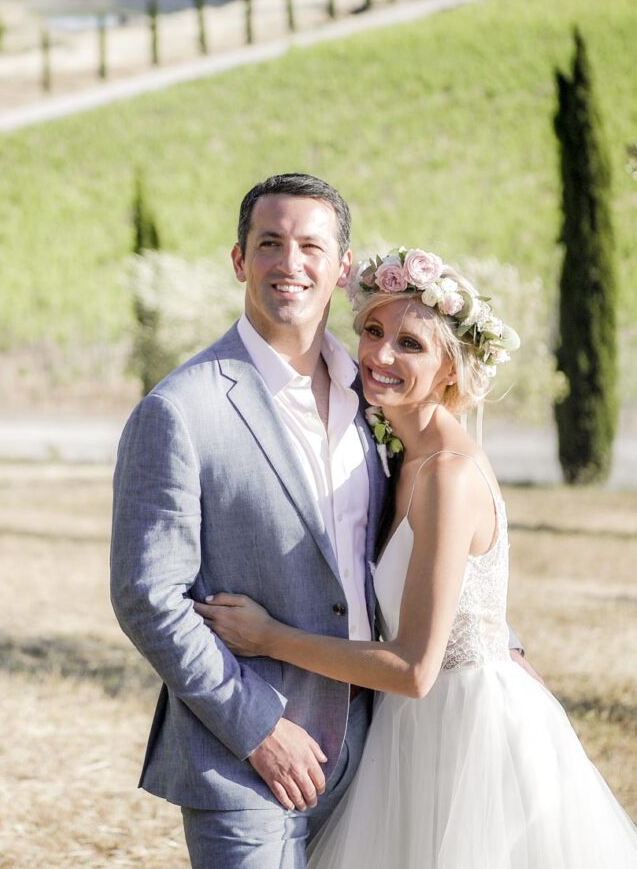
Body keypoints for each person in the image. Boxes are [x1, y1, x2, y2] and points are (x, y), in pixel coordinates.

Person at [111, 177, 529, 869]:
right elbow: (147, 596)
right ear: (239, 260)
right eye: (268, 243)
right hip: (246, 760)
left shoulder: (372, 395)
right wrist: (258, 729)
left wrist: (489, 638)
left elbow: (409, 538)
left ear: (341, 268)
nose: (289, 262)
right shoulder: (179, 410)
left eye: (310, 245)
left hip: (377, 747)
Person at [197, 246, 637, 868]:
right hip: (405, 730)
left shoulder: (449, 476)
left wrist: (269, 637)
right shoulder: (397, 458)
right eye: (373, 332)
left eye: (410, 344)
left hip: (468, 733)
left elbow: (413, 668)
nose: (379, 355)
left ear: (451, 370)